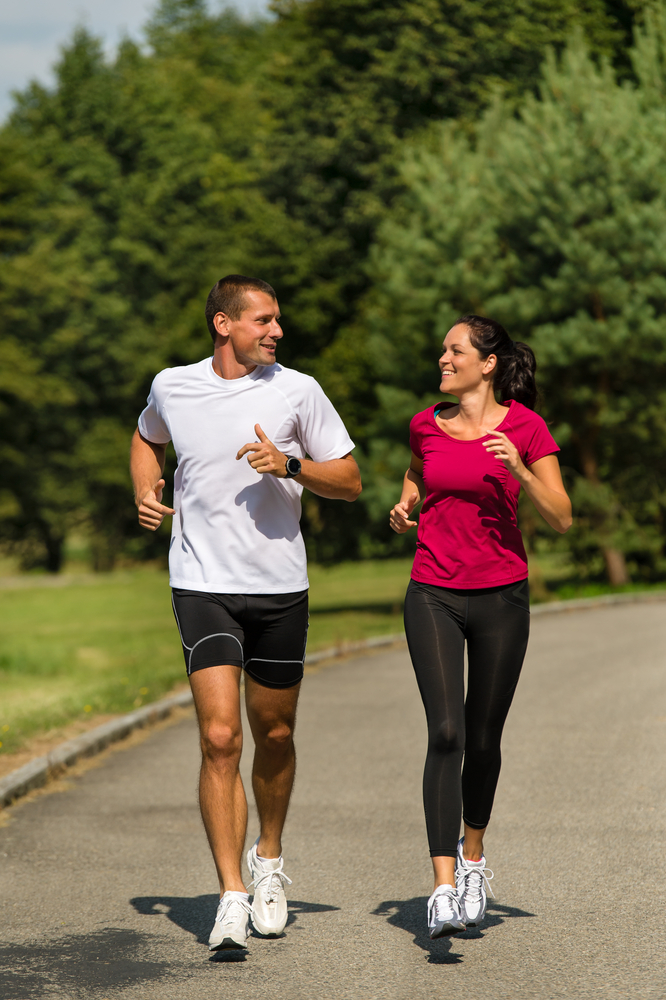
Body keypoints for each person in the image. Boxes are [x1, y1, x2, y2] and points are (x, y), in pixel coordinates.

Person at [130, 274, 361, 951]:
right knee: (222, 738)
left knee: (276, 733)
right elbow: (147, 437)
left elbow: (348, 480)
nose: (277, 331)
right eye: (263, 320)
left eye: (278, 320)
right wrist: (146, 485)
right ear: (223, 324)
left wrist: (289, 464)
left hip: (280, 586)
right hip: (201, 582)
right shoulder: (172, 385)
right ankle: (230, 893)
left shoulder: (299, 391)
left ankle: (268, 859)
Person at [390, 315, 571, 940]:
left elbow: (562, 517)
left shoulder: (526, 427)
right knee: (446, 732)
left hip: (501, 596)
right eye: (443, 348)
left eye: (455, 350)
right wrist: (407, 503)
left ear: (487, 364)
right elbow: (420, 470)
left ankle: (473, 861)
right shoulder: (425, 423)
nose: (443, 358)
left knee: (484, 737)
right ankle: (441, 888)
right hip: (433, 591)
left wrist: (520, 471)